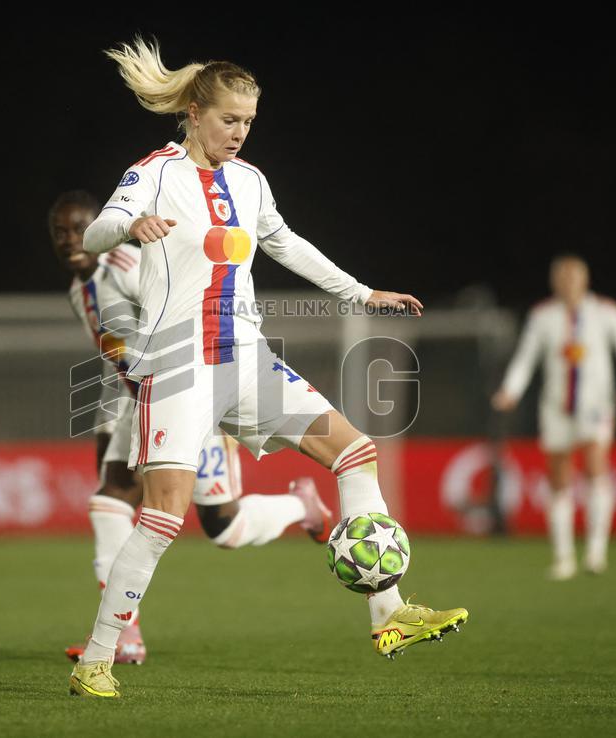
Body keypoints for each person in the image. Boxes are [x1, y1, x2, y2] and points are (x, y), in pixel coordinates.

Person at [67, 38, 468, 699]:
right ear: (194, 113)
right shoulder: (154, 173)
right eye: (230, 118)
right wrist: (129, 230)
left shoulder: (249, 181)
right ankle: (98, 659)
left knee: (355, 452)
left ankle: (389, 613)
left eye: (249, 121)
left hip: (246, 357)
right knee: (164, 516)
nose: (240, 132)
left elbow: (287, 244)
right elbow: (95, 233)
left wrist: (362, 293)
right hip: (177, 363)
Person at [49, 190, 333, 665]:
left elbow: (184, 312)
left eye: (80, 227)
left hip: (189, 394)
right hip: (139, 399)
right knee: (108, 500)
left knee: (225, 526)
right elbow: (117, 362)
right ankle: (125, 637)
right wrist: (110, 428)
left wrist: (208, 392)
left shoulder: (124, 262)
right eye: (60, 232)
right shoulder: (80, 292)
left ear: (101, 225)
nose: (71, 240)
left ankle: (299, 506)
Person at [492, 255, 616, 580]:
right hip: (556, 407)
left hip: (595, 405)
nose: (567, 282)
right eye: (561, 276)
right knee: (558, 478)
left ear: (585, 279)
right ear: (554, 281)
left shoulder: (606, 312)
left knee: (594, 466)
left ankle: (595, 553)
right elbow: (526, 358)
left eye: (573, 276)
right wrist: (511, 391)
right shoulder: (543, 316)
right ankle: (563, 558)